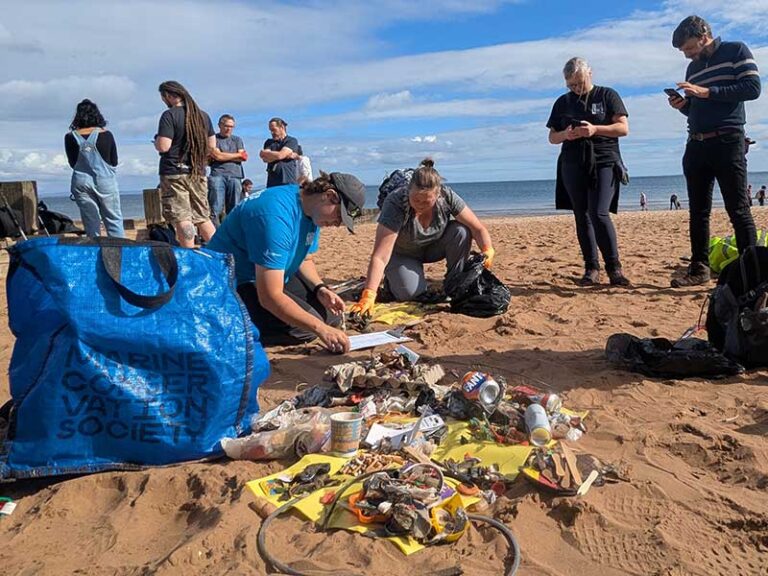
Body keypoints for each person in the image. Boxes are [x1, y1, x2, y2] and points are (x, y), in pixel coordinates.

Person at [207, 171, 366, 352]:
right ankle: (233, 326)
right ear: (329, 196)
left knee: (331, 316)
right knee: (307, 330)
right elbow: (269, 297)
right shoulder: (275, 215)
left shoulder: (311, 209)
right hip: (230, 284)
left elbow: (304, 257)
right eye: (338, 216)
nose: (337, 224)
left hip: (273, 275)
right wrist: (320, 329)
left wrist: (320, 288)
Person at [668, 15, 760, 287]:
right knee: (698, 211)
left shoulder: (736, 51)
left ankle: (752, 272)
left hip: (728, 140)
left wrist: (708, 91)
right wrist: (683, 105)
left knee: (739, 209)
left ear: (704, 34)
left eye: (689, 48)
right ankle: (699, 268)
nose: (687, 55)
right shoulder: (693, 69)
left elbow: (753, 88)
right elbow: (696, 109)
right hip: (696, 143)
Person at [349, 158, 494, 316]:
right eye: (416, 199)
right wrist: (369, 294)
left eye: (426, 201)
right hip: (402, 253)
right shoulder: (395, 203)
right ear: (409, 190)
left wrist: (487, 250)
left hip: (434, 247)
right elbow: (380, 256)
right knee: (409, 295)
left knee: (461, 231)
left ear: (438, 195)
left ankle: (455, 284)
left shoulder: (447, 196)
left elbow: (477, 228)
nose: (420, 204)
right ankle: (392, 282)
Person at [547, 57, 631, 286]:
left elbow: (623, 128)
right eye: (571, 85)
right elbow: (552, 137)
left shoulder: (607, 95)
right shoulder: (563, 102)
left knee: (599, 213)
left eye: (579, 83)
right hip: (572, 162)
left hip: (604, 160)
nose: (576, 88)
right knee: (581, 215)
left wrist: (595, 129)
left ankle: (614, 268)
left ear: (590, 74)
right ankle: (591, 267)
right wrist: (566, 134)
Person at [154, 81, 217, 248]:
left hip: (174, 171)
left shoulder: (169, 116)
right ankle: (222, 255)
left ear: (168, 96)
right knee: (203, 216)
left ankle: (188, 256)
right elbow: (212, 147)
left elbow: (163, 146)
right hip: (197, 171)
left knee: (183, 217)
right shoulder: (202, 116)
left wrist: (156, 141)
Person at [64, 99, 125, 238]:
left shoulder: (70, 137)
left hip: (81, 181)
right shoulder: (106, 135)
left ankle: (95, 253)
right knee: (113, 219)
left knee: (90, 222)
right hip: (105, 180)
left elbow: (72, 163)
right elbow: (113, 161)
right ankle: (119, 253)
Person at [208, 114, 247, 226]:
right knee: (215, 208)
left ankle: (233, 236)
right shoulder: (213, 139)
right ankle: (214, 236)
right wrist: (236, 155)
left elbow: (243, 157)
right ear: (220, 125)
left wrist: (221, 155)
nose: (229, 129)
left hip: (235, 176)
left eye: (231, 126)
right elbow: (217, 156)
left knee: (234, 209)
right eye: (226, 126)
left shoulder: (237, 140)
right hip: (217, 175)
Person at [259, 117, 300, 188]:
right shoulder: (269, 142)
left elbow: (280, 155)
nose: (272, 133)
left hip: (288, 180)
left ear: (282, 127)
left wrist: (277, 155)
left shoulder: (291, 141)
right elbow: (265, 159)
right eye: (270, 130)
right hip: (272, 182)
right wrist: (286, 155)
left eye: (274, 130)